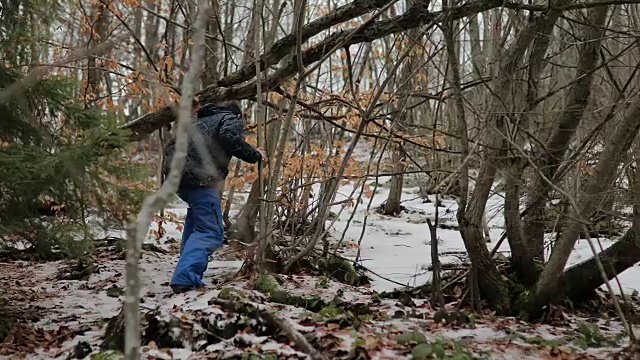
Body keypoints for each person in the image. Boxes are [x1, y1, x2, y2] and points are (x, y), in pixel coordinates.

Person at [163, 101, 267, 294]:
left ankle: (185, 270)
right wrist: (255, 155)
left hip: (180, 182)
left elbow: (170, 148)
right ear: (238, 116)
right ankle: (185, 278)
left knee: (197, 225)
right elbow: (229, 136)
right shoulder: (229, 118)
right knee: (211, 232)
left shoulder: (196, 123)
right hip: (201, 181)